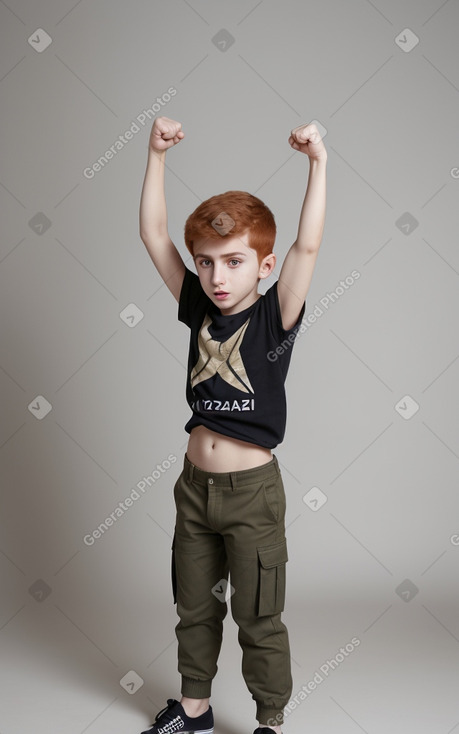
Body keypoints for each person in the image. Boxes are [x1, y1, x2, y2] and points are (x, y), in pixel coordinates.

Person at [138, 116, 327, 734]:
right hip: (195, 489)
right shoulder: (196, 305)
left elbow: (308, 246)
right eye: (207, 263)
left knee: (257, 614)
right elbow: (154, 234)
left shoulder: (278, 313)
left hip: (252, 495)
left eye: (235, 262)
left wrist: (317, 163)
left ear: (264, 265)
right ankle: (193, 709)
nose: (218, 278)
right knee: (193, 606)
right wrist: (156, 156)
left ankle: (270, 720)